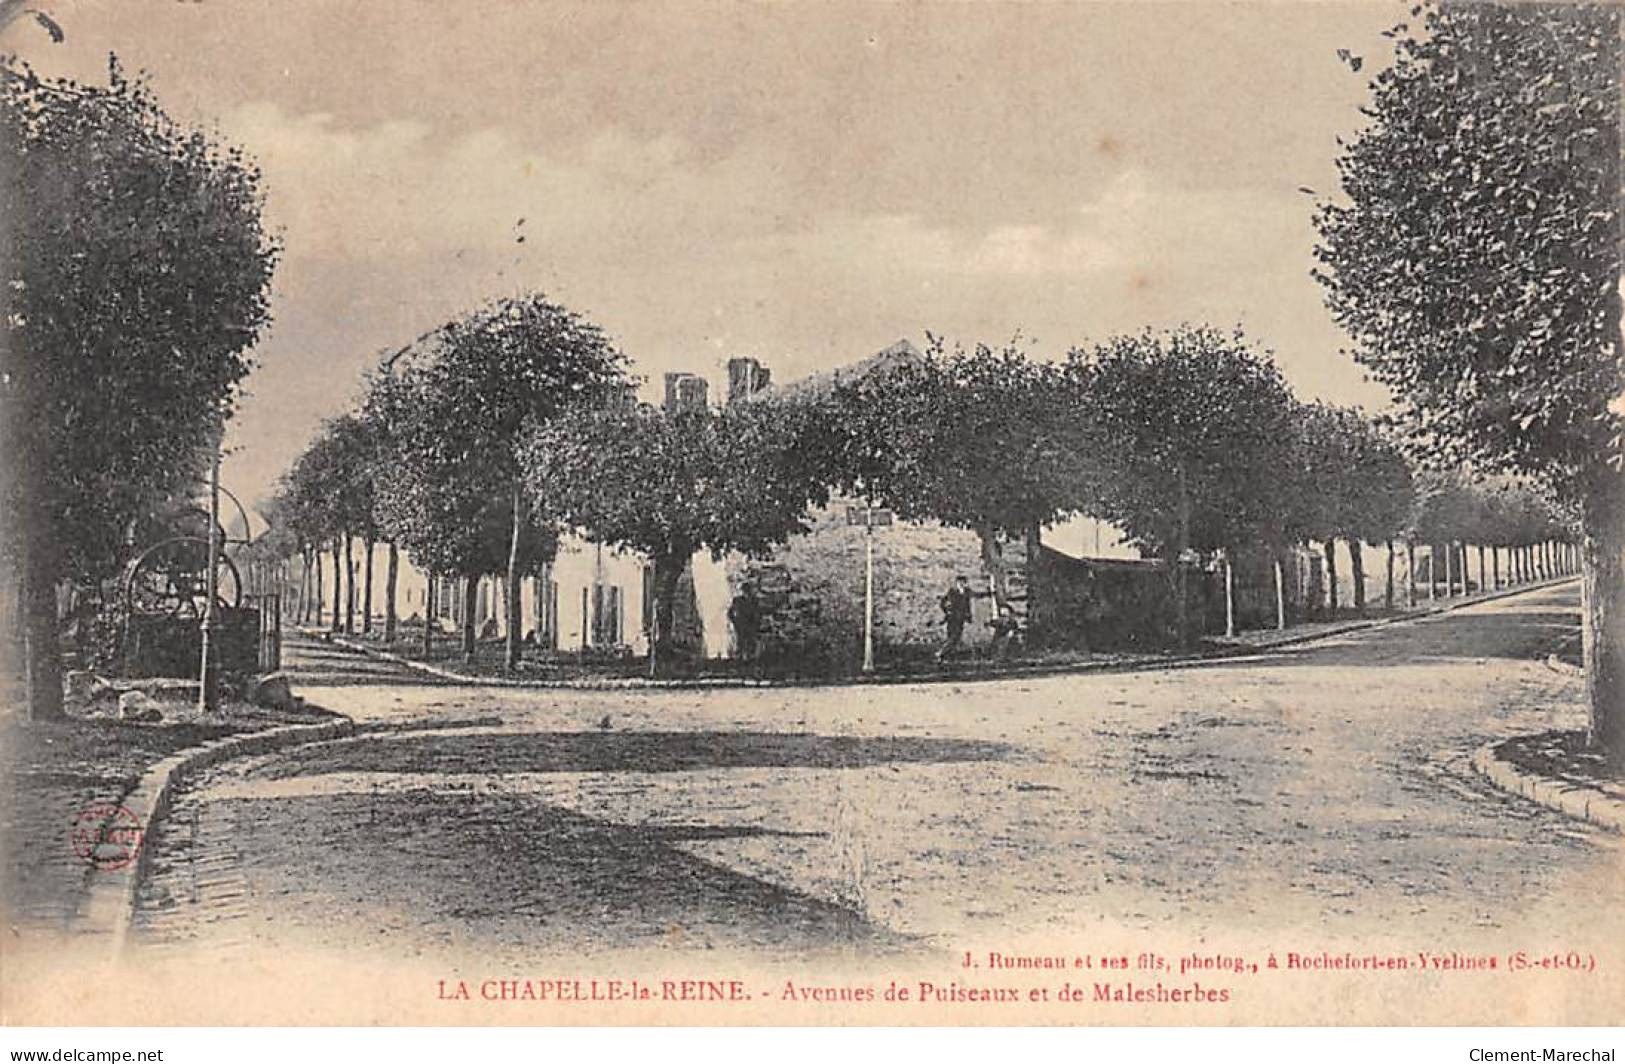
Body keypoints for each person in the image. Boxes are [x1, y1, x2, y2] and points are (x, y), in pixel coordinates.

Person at [936, 576, 973, 661]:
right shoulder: (952, 592)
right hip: (952, 618)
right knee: (952, 637)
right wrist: (947, 611)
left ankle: (946, 657)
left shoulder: (967, 592)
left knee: (957, 637)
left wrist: (968, 615)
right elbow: (943, 602)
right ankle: (941, 652)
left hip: (961, 618)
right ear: (956, 583)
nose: (961, 584)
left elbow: (971, 601)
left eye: (963, 582)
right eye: (959, 582)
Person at [728, 585, 761, 663]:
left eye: (748, 590)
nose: (747, 592)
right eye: (745, 590)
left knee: (750, 640)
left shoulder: (754, 600)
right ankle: (740, 657)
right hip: (741, 624)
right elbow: (730, 612)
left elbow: (757, 612)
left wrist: (756, 622)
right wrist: (734, 621)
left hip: (751, 624)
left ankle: (750, 657)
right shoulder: (738, 600)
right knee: (741, 640)